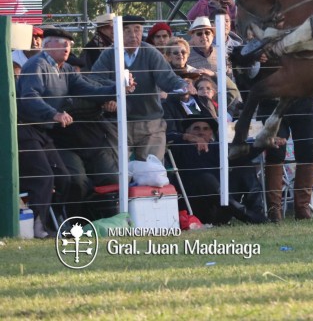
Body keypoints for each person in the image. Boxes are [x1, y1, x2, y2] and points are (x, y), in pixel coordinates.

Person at [16, 28, 125, 237]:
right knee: (44, 176)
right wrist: (54, 114)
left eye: (69, 44)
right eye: (61, 43)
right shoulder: (36, 65)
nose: (67, 47)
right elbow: (29, 98)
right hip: (27, 130)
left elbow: (89, 90)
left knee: (65, 178)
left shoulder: (65, 69)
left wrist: (119, 88)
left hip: (46, 133)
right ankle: (39, 224)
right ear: (47, 45)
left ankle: (61, 221)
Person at [92, 15, 191, 162]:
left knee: (151, 173)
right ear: (118, 33)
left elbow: (167, 78)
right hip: (116, 123)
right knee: (114, 173)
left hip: (150, 122)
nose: (133, 35)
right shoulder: (108, 54)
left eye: (137, 30)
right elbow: (94, 80)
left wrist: (183, 87)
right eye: (127, 31)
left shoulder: (151, 53)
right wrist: (110, 96)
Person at [167, 116, 267, 225]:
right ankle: (250, 217)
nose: (201, 132)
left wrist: (265, 142)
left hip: (222, 207)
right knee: (206, 179)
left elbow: (244, 153)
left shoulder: (217, 148)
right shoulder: (179, 147)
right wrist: (186, 137)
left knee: (245, 166)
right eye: (196, 128)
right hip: (194, 208)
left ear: (211, 134)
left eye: (206, 129)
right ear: (187, 131)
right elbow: (163, 137)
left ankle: (257, 214)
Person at [186, 16, 242, 111]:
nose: (204, 36)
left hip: (223, 104)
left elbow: (231, 81)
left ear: (212, 35)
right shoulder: (186, 56)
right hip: (196, 105)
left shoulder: (222, 54)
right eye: (199, 33)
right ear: (193, 37)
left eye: (207, 32)